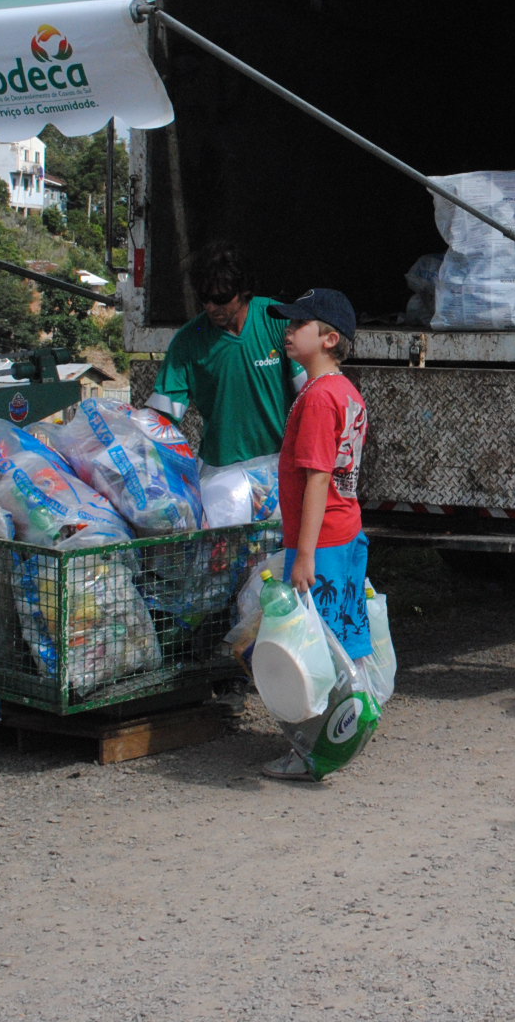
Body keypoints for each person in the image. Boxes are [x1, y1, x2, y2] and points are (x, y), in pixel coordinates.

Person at [261, 288, 374, 781]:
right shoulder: (345, 392)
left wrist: (302, 554)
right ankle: (347, 731)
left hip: (320, 542)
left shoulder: (318, 398)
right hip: (345, 534)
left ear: (329, 338)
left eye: (297, 324)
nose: (287, 331)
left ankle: (315, 752)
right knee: (341, 643)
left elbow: (317, 477)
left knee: (311, 655)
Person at [149, 242, 300, 468]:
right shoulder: (188, 340)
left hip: (280, 465)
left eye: (220, 299)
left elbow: (312, 392)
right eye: (204, 298)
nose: (210, 307)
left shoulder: (277, 319)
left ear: (244, 292)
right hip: (221, 471)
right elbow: (161, 418)